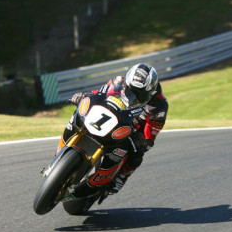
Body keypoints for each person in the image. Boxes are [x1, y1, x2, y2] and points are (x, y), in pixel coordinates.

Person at [64, 63, 169, 200]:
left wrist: (143, 140)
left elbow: (150, 135)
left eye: (140, 94)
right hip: (111, 118)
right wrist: (84, 96)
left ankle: (121, 178)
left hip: (132, 131)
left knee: (138, 154)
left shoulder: (159, 106)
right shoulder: (119, 81)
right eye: (131, 90)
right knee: (81, 115)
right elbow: (100, 95)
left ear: (151, 91)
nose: (134, 95)